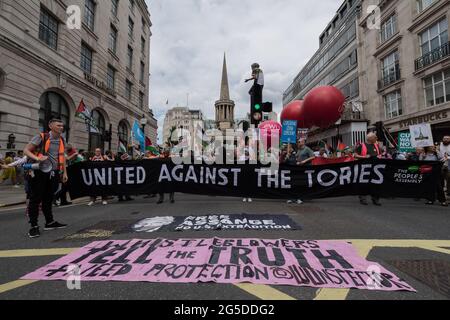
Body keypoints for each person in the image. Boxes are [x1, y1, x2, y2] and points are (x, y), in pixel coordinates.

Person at [23, 119, 68, 238]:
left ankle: (50, 222)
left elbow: (62, 157)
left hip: (53, 172)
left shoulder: (62, 139)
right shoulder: (41, 137)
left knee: (48, 198)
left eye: (62, 126)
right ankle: (33, 226)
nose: (61, 128)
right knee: (35, 198)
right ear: (50, 126)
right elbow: (26, 150)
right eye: (58, 125)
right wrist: (37, 158)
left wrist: (64, 173)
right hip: (38, 172)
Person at [354, 133, 382, 206]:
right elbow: (355, 155)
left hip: (375, 168)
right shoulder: (362, 146)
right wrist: (364, 157)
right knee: (364, 183)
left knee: (375, 184)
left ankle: (375, 199)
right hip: (365, 168)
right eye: (375, 137)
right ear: (369, 138)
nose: (376, 138)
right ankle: (363, 198)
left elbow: (380, 154)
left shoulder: (376, 145)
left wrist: (380, 157)